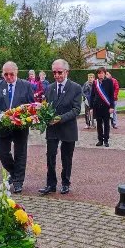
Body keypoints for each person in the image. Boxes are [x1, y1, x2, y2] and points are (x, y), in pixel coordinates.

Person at [0, 61, 35, 193]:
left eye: (11, 74)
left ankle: (18, 182)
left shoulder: (26, 85)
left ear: (17, 72)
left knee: (20, 153)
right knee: (1, 152)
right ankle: (15, 173)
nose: (8, 77)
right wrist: (1, 116)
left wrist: (25, 116)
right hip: (2, 125)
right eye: (5, 74)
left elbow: (31, 105)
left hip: (20, 126)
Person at [39, 59, 82, 195]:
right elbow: (46, 106)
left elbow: (76, 110)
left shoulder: (76, 88)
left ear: (66, 72)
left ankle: (65, 183)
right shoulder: (50, 87)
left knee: (66, 157)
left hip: (68, 127)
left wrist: (60, 118)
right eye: (54, 72)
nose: (56, 75)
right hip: (52, 128)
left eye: (59, 72)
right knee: (50, 156)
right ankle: (51, 184)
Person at [90, 67, 115, 147]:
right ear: (97, 74)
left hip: (106, 107)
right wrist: (91, 108)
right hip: (97, 107)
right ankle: (100, 140)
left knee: (106, 124)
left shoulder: (109, 82)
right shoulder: (95, 83)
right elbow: (92, 96)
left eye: (102, 73)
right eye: (99, 73)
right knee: (99, 124)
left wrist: (112, 106)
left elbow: (112, 95)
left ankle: (106, 140)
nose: (100, 74)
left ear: (104, 73)